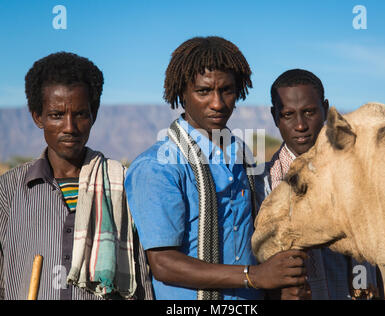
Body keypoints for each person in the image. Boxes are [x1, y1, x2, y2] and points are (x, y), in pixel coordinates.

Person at [125, 36, 309, 300]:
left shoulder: (243, 160)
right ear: (181, 93)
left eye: (227, 90)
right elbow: (163, 264)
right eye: (203, 91)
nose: (218, 103)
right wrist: (254, 277)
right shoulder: (158, 167)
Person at [0, 52, 153, 300]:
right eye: (56, 115)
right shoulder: (10, 189)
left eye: (80, 114)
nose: (69, 127)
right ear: (37, 117)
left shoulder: (123, 184)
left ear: (94, 114)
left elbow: (141, 279)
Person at [255, 68, 385, 300]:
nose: (301, 125)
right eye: (288, 115)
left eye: (309, 112)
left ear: (325, 109)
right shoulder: (261, 186)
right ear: (275, 116)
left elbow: (369, 259)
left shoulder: (356, 175)